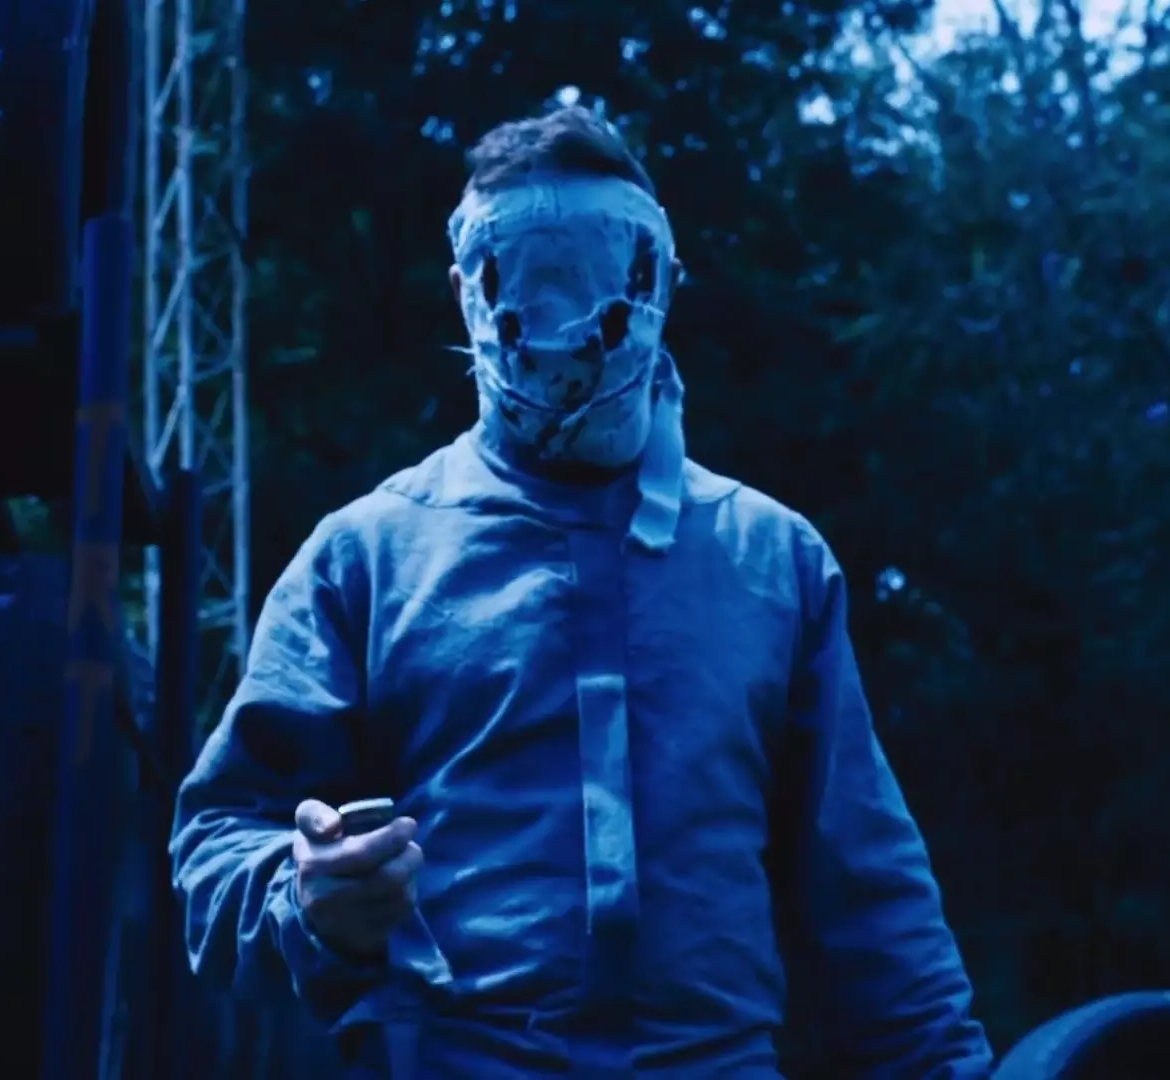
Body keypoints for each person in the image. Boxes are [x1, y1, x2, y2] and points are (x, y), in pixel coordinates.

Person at [170, 104, 993, 1079]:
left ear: (664, 280)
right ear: (465, 291)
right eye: (524, 277)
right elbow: (217, 845)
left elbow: (871, 893)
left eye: (603, 275)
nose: (565, 326)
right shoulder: (366, 557)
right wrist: (305, 899)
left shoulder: (773, 561)